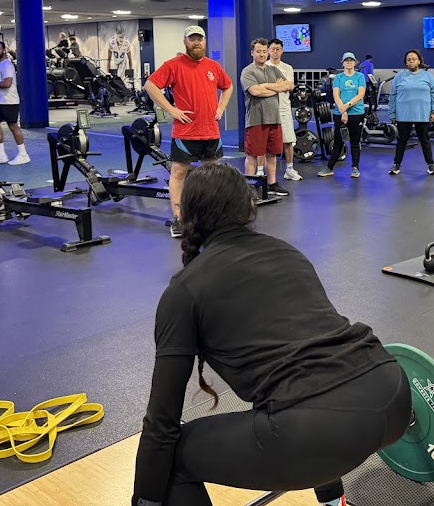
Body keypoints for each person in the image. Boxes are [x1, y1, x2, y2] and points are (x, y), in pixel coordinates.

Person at [132, 164, 411, 506]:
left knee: (170, 460)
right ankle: (333, 503)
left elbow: (161, 425)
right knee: (311, 397)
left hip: (312, 432)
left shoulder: (183, 291)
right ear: (249, 207)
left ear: (185, 216)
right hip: (393, 394)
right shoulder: (288, 254)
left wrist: (145, 500)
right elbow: (318, 357)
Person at [145, 26, 233, 238]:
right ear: (185, 42)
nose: (196, 43)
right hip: (186, 132)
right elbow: (150, 85)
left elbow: (228, 86)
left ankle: (212, 214)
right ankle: (179, 217)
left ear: (205, 41)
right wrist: (171, 109)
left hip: (210, 131)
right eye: (192, 39)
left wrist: (221, 107)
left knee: (213, 174)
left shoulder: (213, 66)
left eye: (199, 39)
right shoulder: (173, 65)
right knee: (178, 172)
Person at [240, 38, 291, 197]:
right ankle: (249, 186)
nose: (261, 54)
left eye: (264, 51)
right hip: (256, 120)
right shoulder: (248, 72)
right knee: (253, 154)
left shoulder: (273, 70)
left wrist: (266, 87)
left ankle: (272, 184)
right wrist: (276, 88)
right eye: (258, 51)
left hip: (274, 119)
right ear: (252, 53)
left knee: (272, 153)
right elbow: (255, 91)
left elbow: (289, 85)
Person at [387, 49, 434, 176]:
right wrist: (392, 113)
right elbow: (392, 95)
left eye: (414, 59)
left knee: (425, 140)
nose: (411, 61)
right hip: (403, 115)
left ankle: (431, 165)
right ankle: (396, 164)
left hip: (422, 114)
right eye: (408, 60)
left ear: (419, 61)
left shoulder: (427, 76)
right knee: (402, 141)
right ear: (406, 63)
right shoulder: (399, 76)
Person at [318, 52, 367, 179]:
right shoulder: (339, 77)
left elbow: (361, 94)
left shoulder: (360, 76)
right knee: (338, 141)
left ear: (355, 62)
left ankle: (355, 168)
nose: (349, 62)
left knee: (355, 141)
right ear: (343, 63)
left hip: (356, 113)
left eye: (351, 60)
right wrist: (343, 111)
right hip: (340, 113)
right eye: (346, 60)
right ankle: (329, 167)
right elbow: (336, 95)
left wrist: (347, 106)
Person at [0, 41, 30, 165]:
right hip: (0, 102)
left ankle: (23, 155)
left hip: (10, 102)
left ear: (4, 50)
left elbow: (7, 83)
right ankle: (1, 154)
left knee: (13, 127)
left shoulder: (7, 65)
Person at [267, 38, 302, 182]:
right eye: (273, 49)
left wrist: (274, 86)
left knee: (288, 141)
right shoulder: (264, 66)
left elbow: (290, 86)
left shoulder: (288, 68)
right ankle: (262, 171)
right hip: (268, 109)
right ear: (268, 50)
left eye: (278, 49)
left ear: (282, 51)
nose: (275, 52)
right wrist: (279, 86)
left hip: (284, 109)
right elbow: (263, 87)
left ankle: (289, 169)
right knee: (266, 143)